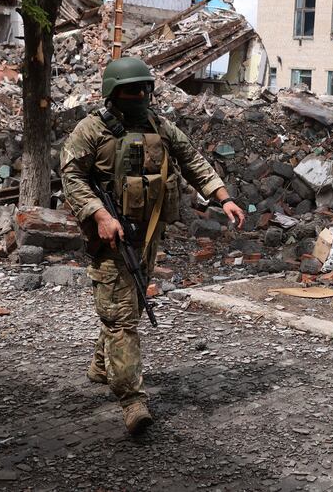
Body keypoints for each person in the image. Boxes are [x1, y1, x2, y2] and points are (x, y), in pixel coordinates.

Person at [60, 56, 245, 434]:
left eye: (145, 88)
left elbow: (192, 159)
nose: (141, 95)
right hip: (110, 235)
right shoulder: (90, 130)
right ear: (113, 92)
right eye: (133, 89)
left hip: (147, 234)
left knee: (126, 306)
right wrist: (99, 215)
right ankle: (132, 399)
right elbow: (71, 176)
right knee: (122, 316)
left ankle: (102, 364)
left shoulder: (159, 126)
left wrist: (222, 196)